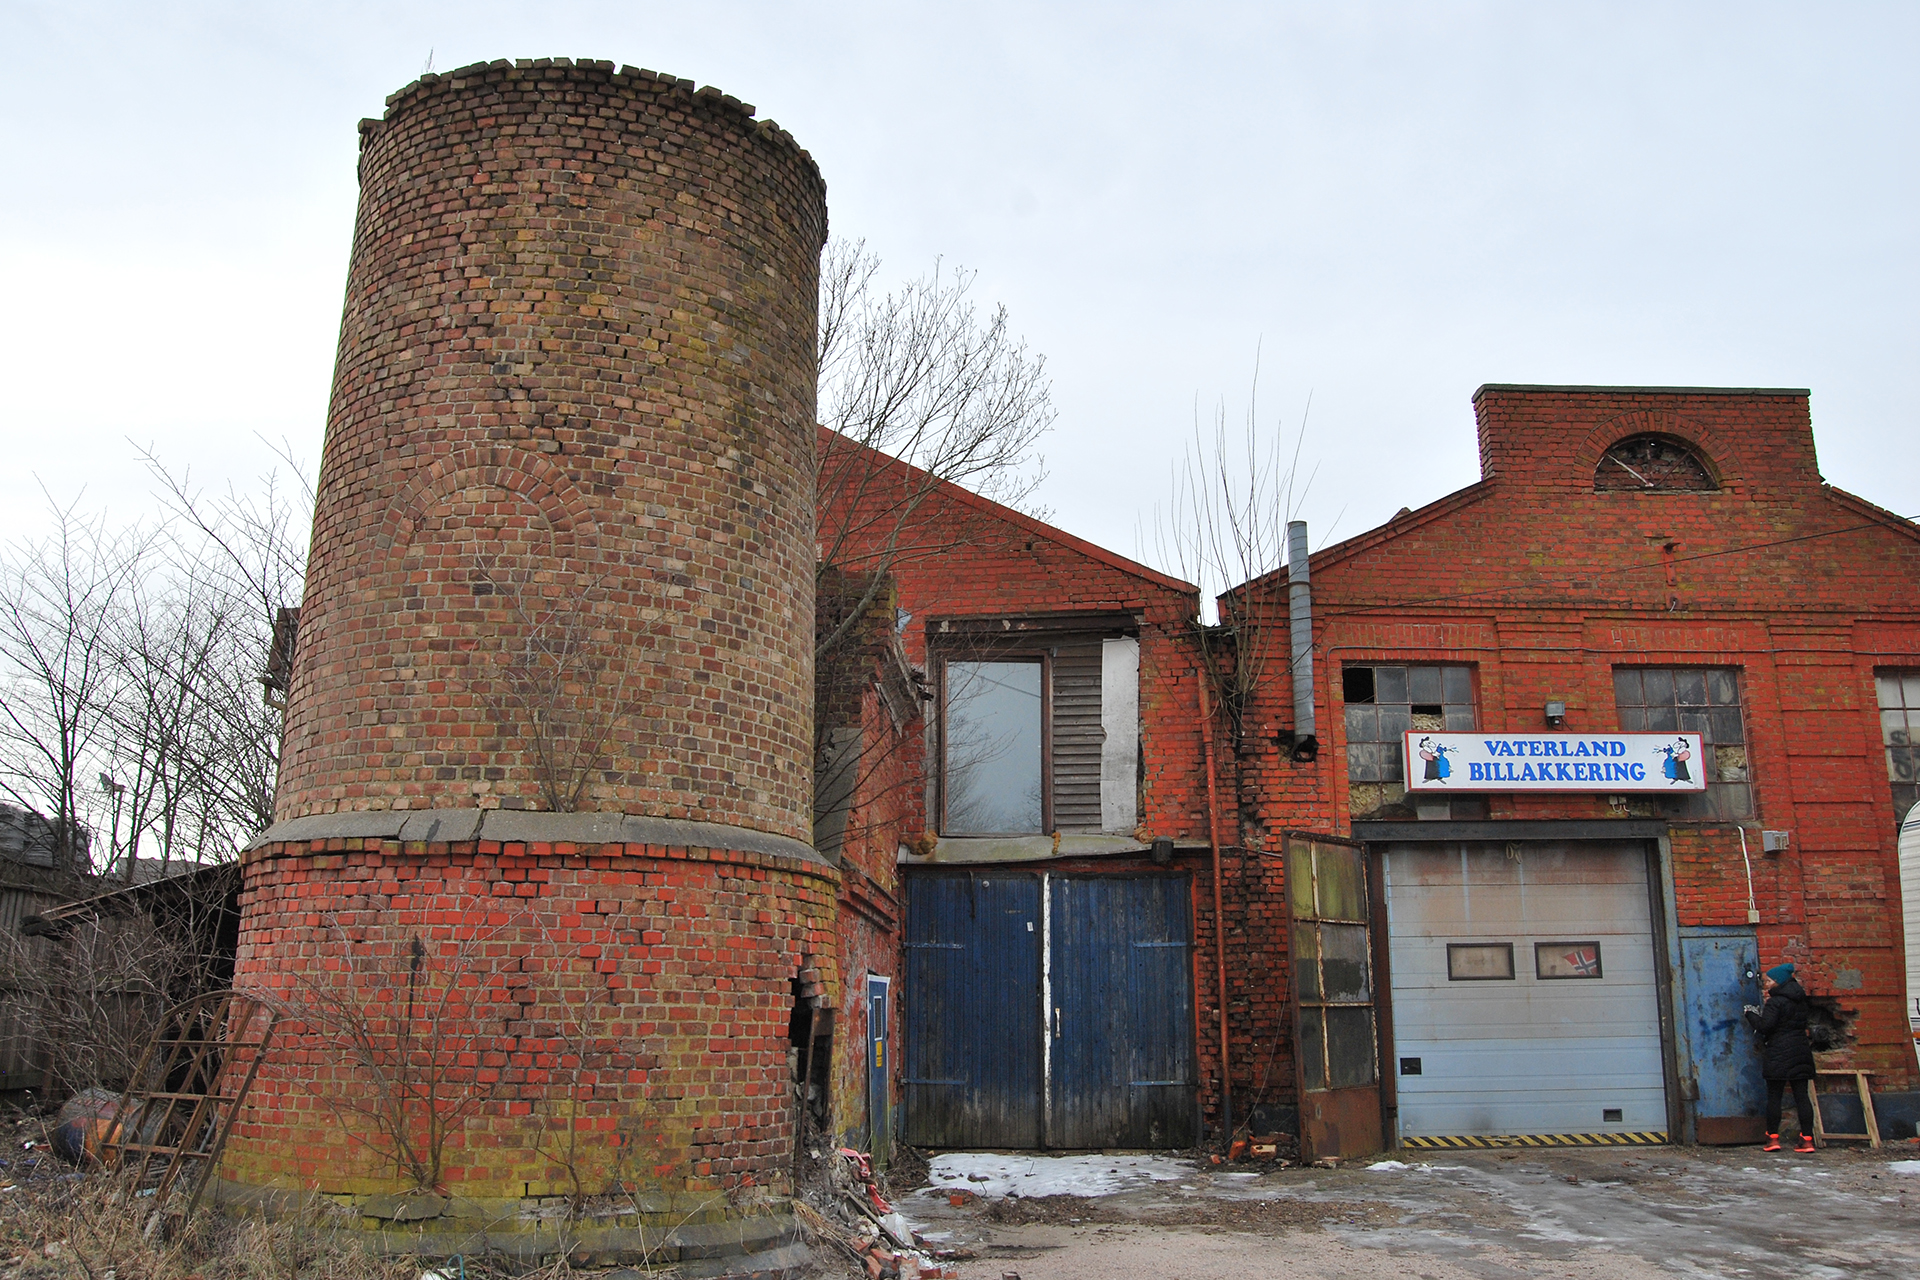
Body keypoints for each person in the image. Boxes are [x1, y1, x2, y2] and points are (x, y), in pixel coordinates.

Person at [1743, 963, 1817, 1152]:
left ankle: (1773, 1139)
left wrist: (1750, 1015)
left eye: (1769, 981)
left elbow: (1765, 1026)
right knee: (1802, 1096)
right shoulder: (1801, 1000)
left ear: (1779, 981)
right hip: (1800, 1051)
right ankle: (1807, 1140)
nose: (1766, 984)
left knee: (1774, 1097)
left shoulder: (1775, 1002)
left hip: (1779, 1052)